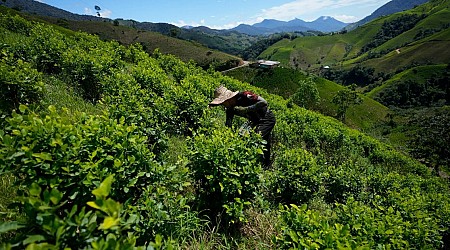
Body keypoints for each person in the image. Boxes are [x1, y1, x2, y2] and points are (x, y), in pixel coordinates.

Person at [209, 85, 276, 167]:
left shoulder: (244, 96)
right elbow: (228, 126)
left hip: (267, 118)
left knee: (256, 138)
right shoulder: (230, 109)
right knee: (262, 141)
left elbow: (264, 102)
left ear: (228, 99)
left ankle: (259, 165)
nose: (223, 105)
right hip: (255, 121)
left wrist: (246, 109)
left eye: (223, 102)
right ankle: (266, 164)